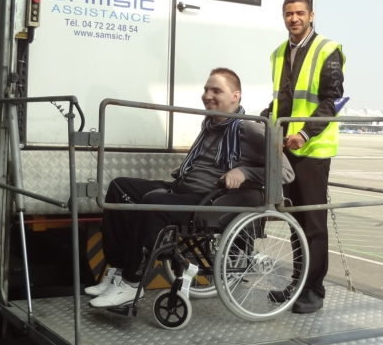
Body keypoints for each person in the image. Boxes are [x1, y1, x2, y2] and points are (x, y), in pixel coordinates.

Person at [87, 67, 294, 308]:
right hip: (183, 189)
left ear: (235, 96)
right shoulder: (210, 124)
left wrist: (244, 172)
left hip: (208, 201)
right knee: (119, 187)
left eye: (217, 90)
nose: (208, 95)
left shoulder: (252, 128)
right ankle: (118, 271)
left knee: (153, 203)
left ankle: (132, 284)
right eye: (206, 89)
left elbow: (286, 173)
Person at [263, 0, 345, 314]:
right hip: (286, 148)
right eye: (288, 14)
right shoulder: (279, 53)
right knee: (295, 221)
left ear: (311, 15)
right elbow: (281, 101)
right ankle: (298, 284)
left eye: (299, 13)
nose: (293, 18)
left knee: (313, 222)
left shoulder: (328, 50)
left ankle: (314, 290)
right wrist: (261, 123)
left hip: (312, 150)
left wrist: (303, 133)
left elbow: (332, 102)